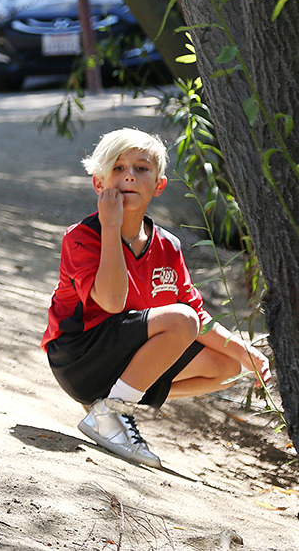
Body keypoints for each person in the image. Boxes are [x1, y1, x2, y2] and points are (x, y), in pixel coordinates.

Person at [43, 128, 272, 467]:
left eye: (141, 169)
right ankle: (111, 414)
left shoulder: (167, 246)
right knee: (181, 320)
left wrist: (245, 352)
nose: (129, 177)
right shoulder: (82, 236)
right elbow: (111, 303)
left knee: (227, 366)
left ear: (159, 185)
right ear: (99, 183)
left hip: (121, 359)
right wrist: (110, 226)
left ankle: (114, 403)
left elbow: (197, 314)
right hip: (79, 357)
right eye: (118, 169)